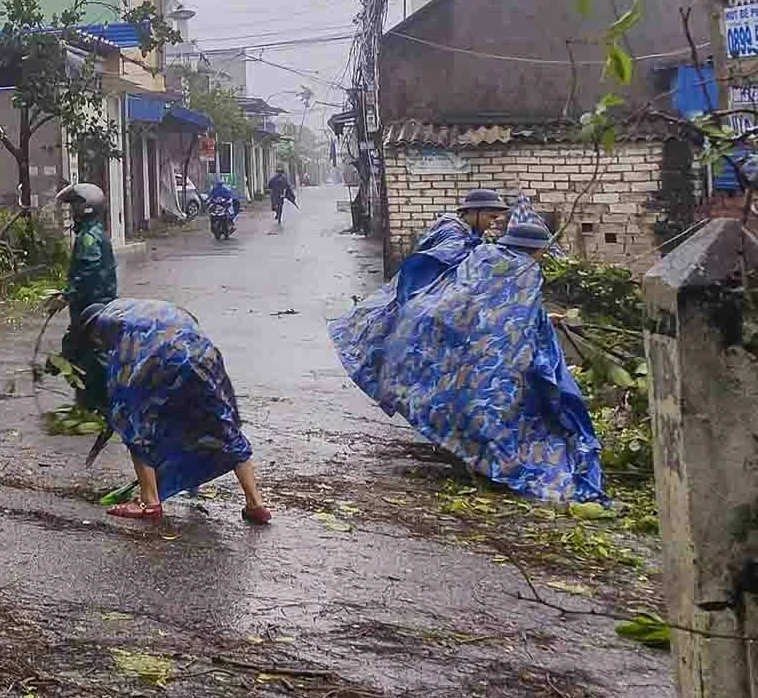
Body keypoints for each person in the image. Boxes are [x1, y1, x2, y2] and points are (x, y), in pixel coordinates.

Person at [330, 217, 602, 503]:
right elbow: (512, 317)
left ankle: (467, 454)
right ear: (533, 250)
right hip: (492, 357)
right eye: (541, 252)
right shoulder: (523, 270)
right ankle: (491, 464)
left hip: (460, 344)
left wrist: (544, 318)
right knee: (507, 410)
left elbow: (498, 308)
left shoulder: (485, 257)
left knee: (469, 403)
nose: (542, 257)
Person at [88, 297, 271, 525]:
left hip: (165, 360)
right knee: (223, 426)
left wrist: (115, 411)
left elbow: (123, 385)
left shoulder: (109, 325)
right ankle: (255, 504)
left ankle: (149, 502)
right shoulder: (138, 308)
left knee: (131, 422)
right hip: (204, 355)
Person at [329, 186, 510, 411]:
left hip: (435, 300)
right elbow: (452, 257)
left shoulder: (462, 231)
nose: (494, 222)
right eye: (490, 216)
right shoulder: (454, 233)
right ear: (473, 212)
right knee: (406, 350)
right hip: (424, 298)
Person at [49, 184, 117, 411]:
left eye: (75, 205)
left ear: (86, 208)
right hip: (94, 306)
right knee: (83, 353)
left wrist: (66, 296)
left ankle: (96, 407)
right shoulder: (93, 232)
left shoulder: (89, 237)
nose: (72, 211)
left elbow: (87, 272)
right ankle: (89, 405)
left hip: (92, 307)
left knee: (85, 355)